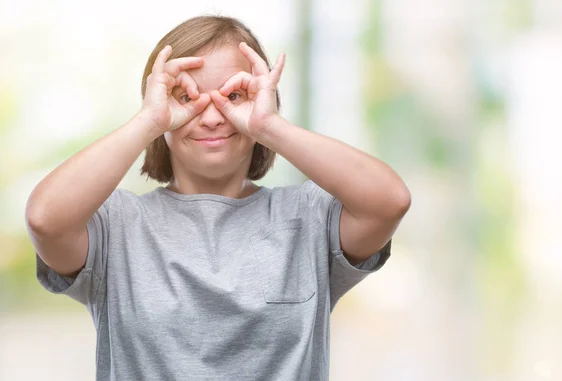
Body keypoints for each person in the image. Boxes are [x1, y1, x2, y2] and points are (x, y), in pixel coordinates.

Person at [25, 15, 411, 381]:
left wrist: (269, 125)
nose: (211, 117)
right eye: (185, 96)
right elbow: (46, 219)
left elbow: (389, 201)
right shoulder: (116, 225)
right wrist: (148, 122)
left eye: (235, 95)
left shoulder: (309, 217)